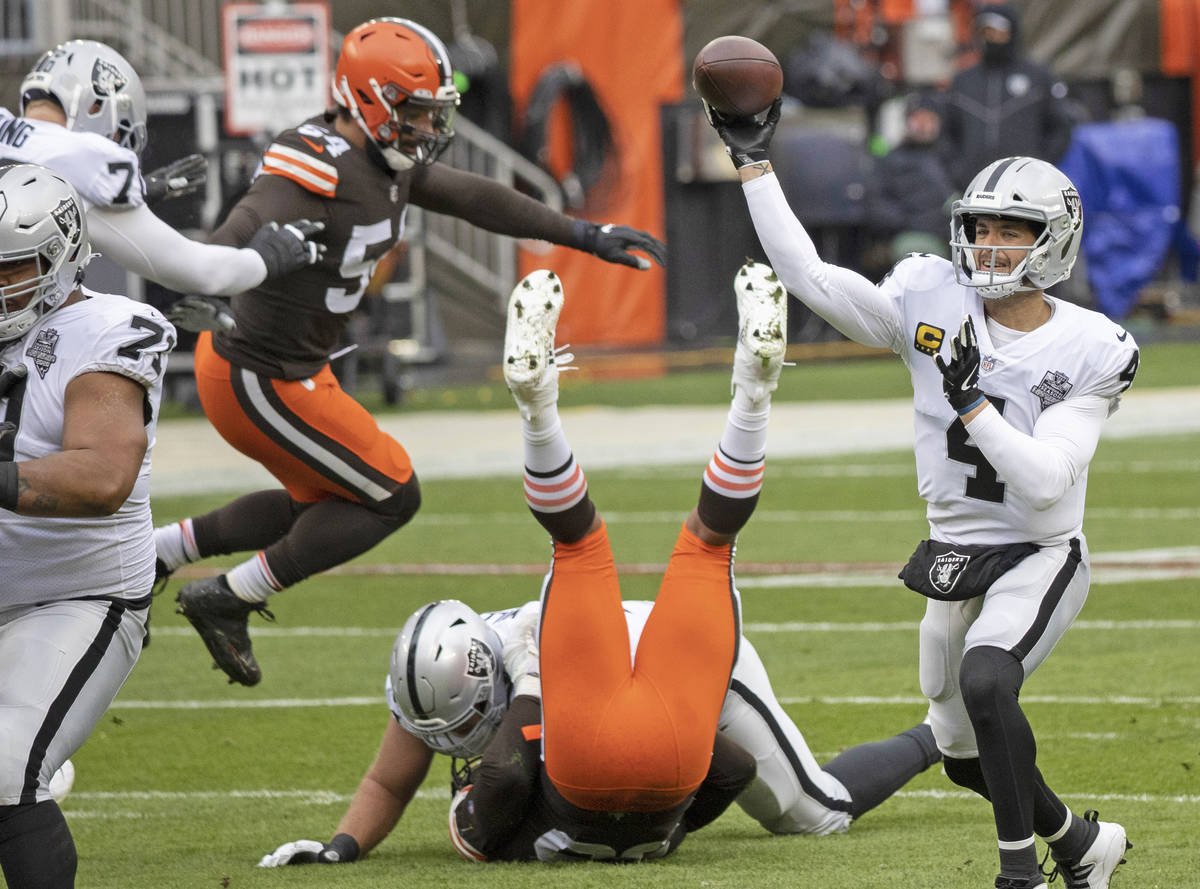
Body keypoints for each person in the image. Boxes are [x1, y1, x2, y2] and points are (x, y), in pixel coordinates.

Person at [256, 262, 941, 867]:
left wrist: (657, 817)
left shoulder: (502, 665)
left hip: (608, 693)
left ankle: (546, 408)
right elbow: (724, 766)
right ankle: (736, 398)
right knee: (641, 544)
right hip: (667, 660)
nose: (463, 739)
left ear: (490, 671)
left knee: (622, 547)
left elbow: (476, 775)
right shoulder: (455, 663)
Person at [153, 17, 667, 687]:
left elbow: (474, 197)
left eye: (433, 113)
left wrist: (580, 232)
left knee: (333, 503)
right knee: (391, 494)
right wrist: (219, 267)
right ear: (368, 101)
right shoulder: (315, 164)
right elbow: (244, 222)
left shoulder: (383, 160)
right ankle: (230, 594)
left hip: (298, 370)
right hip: (256, 373)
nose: (427, 128)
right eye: (415, 112)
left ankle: (162, 551)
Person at [707, 95, 1137, 889]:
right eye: (981, 225)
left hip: (1038, 550)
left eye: (1013, 229)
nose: (990, 243)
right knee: (964, 755)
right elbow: (807, 275)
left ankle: (1022, 876)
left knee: (986, 678)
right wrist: (753, 165)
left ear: (1053, 242)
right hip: (952, 550)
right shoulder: (929, 296)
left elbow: (1045, 481)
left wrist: (972, 402)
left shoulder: (1090, 346)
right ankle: (1080, 842)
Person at [0, 163, 173, 888]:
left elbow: (103, 477)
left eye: (9, 267)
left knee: (7, 766)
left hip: (75, 595)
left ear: (59, 255)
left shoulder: (104, 330)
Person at [2, 39, 325, 302]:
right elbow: (200, 272)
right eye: (118, 135)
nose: (115, 144)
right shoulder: (91, 167)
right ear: (97, 106)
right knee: (124, 327)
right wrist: (264, 259)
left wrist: (137, 192)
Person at [939, 3, 1075, 190]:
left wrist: (1039, 167)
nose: (989, 37)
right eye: (984, 31)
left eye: (996, 31)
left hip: (1025, 187)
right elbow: (946, 133)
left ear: (1012, 32)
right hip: (974, 186)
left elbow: (1060, 128)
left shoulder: (1037, 77)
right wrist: (958, 171)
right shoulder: (963, 81)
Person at [867, 92, 957, 262]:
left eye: (929, 119)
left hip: (948, 238)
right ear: (907, 121)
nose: (923, 125)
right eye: (917, 118)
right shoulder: (890, 160)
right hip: (904, 235)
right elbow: (877, 204)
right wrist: (911, 222)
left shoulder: (951, 160)